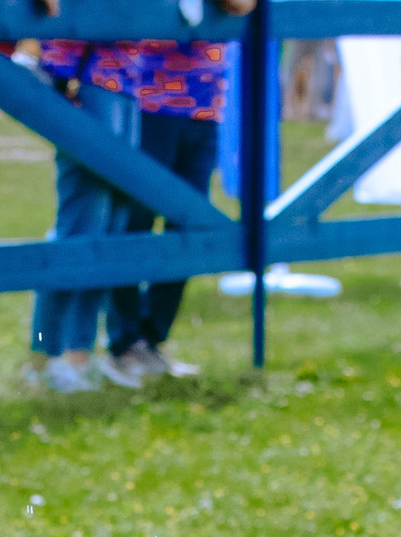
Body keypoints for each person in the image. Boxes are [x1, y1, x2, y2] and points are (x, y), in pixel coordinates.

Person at [110, 3, 255, 384]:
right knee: (136, 221)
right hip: (150, 101)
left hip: (205, 106)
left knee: (190, 226)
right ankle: (123, 340)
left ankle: (153, 338)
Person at [28, 39, 142, 396]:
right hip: (86, 77)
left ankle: (80, 354)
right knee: (79, 227)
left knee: (110, 232)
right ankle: (44, 355)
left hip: (128, 80)